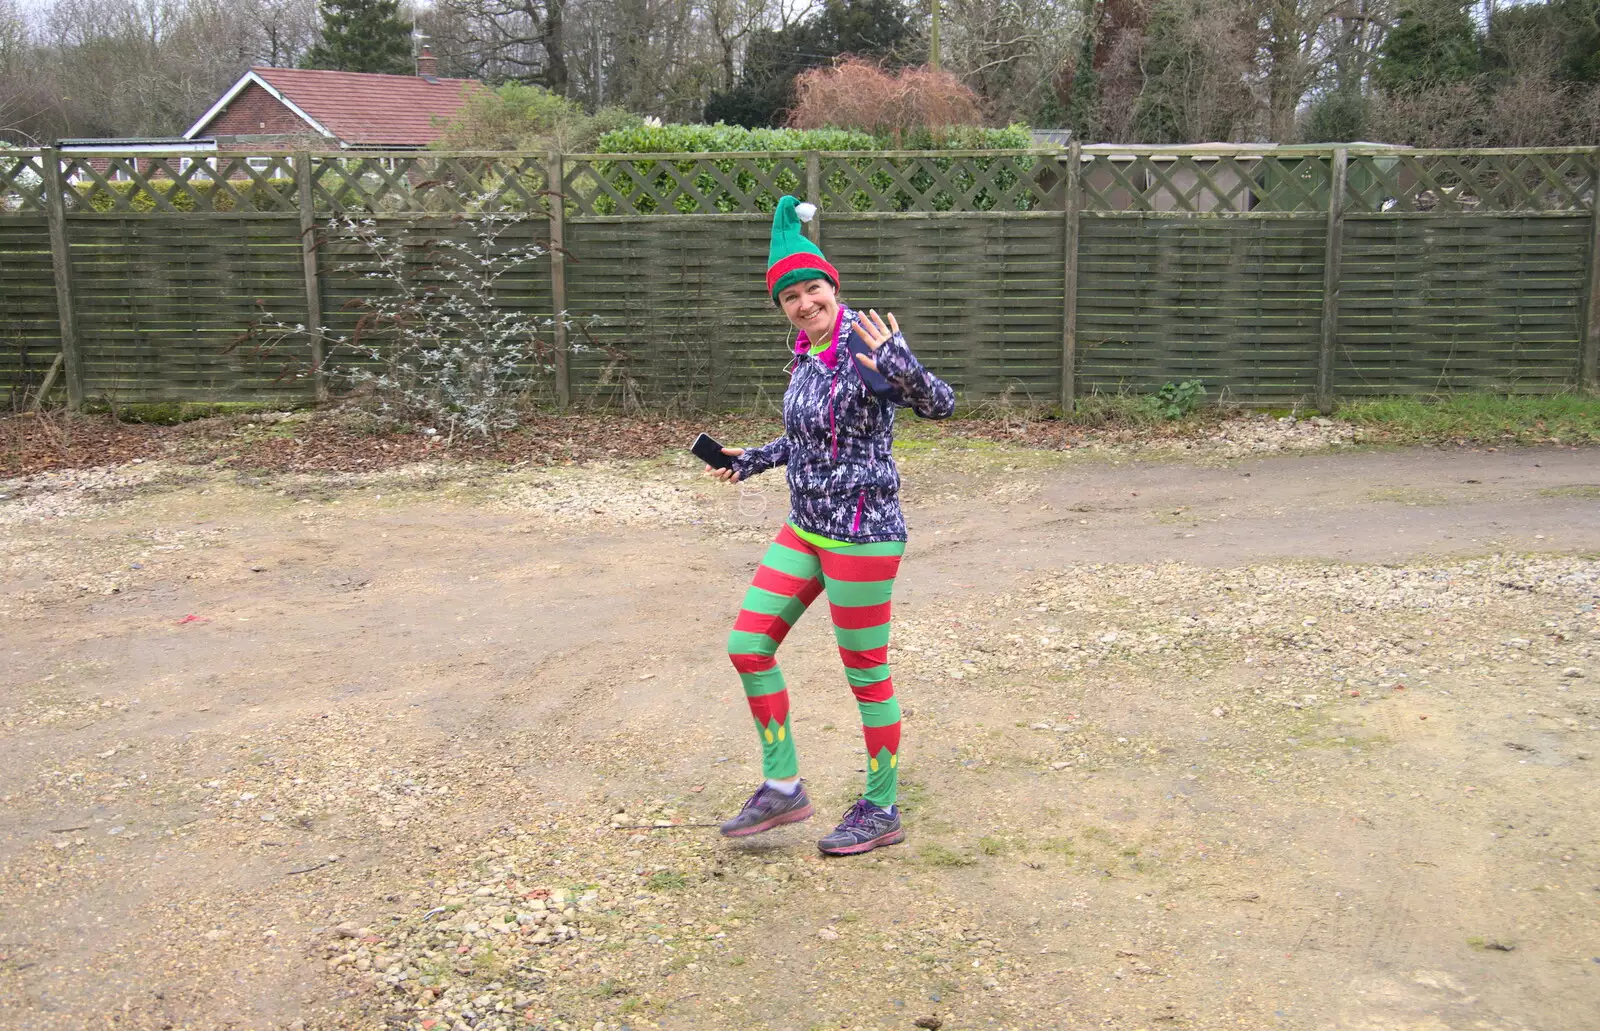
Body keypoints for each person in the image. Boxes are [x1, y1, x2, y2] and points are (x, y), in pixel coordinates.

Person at [703, 195, 955, 856]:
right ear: (782, 307)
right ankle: (783, 786)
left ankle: (882, 806)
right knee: (748, 644)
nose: (805, 302)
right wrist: (753, 458)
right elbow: (808, 438)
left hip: (865, 535)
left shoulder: (867, 349)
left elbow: (940, 404)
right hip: (808, 527)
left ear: (831, 286)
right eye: (791, 295)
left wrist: (908, 368)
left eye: (813, 287)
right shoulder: (806, 356)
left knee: (865, 671)